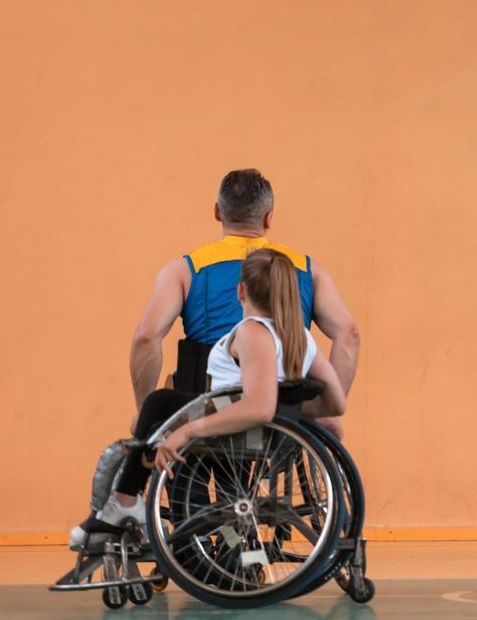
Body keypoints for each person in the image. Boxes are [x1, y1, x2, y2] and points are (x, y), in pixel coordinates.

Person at [72, 248, 346, 546]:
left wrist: (188, 430)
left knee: (158, 406)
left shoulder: (252, 333)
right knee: (163, 410)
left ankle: (125, 503)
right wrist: (290, 409)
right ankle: (230, 548)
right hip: (258, 436)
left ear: (240, 290)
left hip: (232, 432)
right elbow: (335, 404)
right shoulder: (301, 338)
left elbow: (259, 407)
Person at [128, 168, 360, 438]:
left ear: (217, 212)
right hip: (280, 410)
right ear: (269, 218)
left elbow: (146, 337)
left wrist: (144, 411)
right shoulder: (307, 270)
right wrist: (323, 411)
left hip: (206, 403)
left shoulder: (185, 269)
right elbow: (349, 335)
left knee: (162, 405)